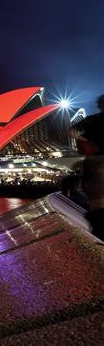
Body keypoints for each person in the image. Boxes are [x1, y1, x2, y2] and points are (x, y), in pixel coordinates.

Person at [69, 94, 104, 239]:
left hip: (96, 160)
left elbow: (71, 131)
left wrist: (84, 141)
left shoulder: (92, 120)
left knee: (98, 201)